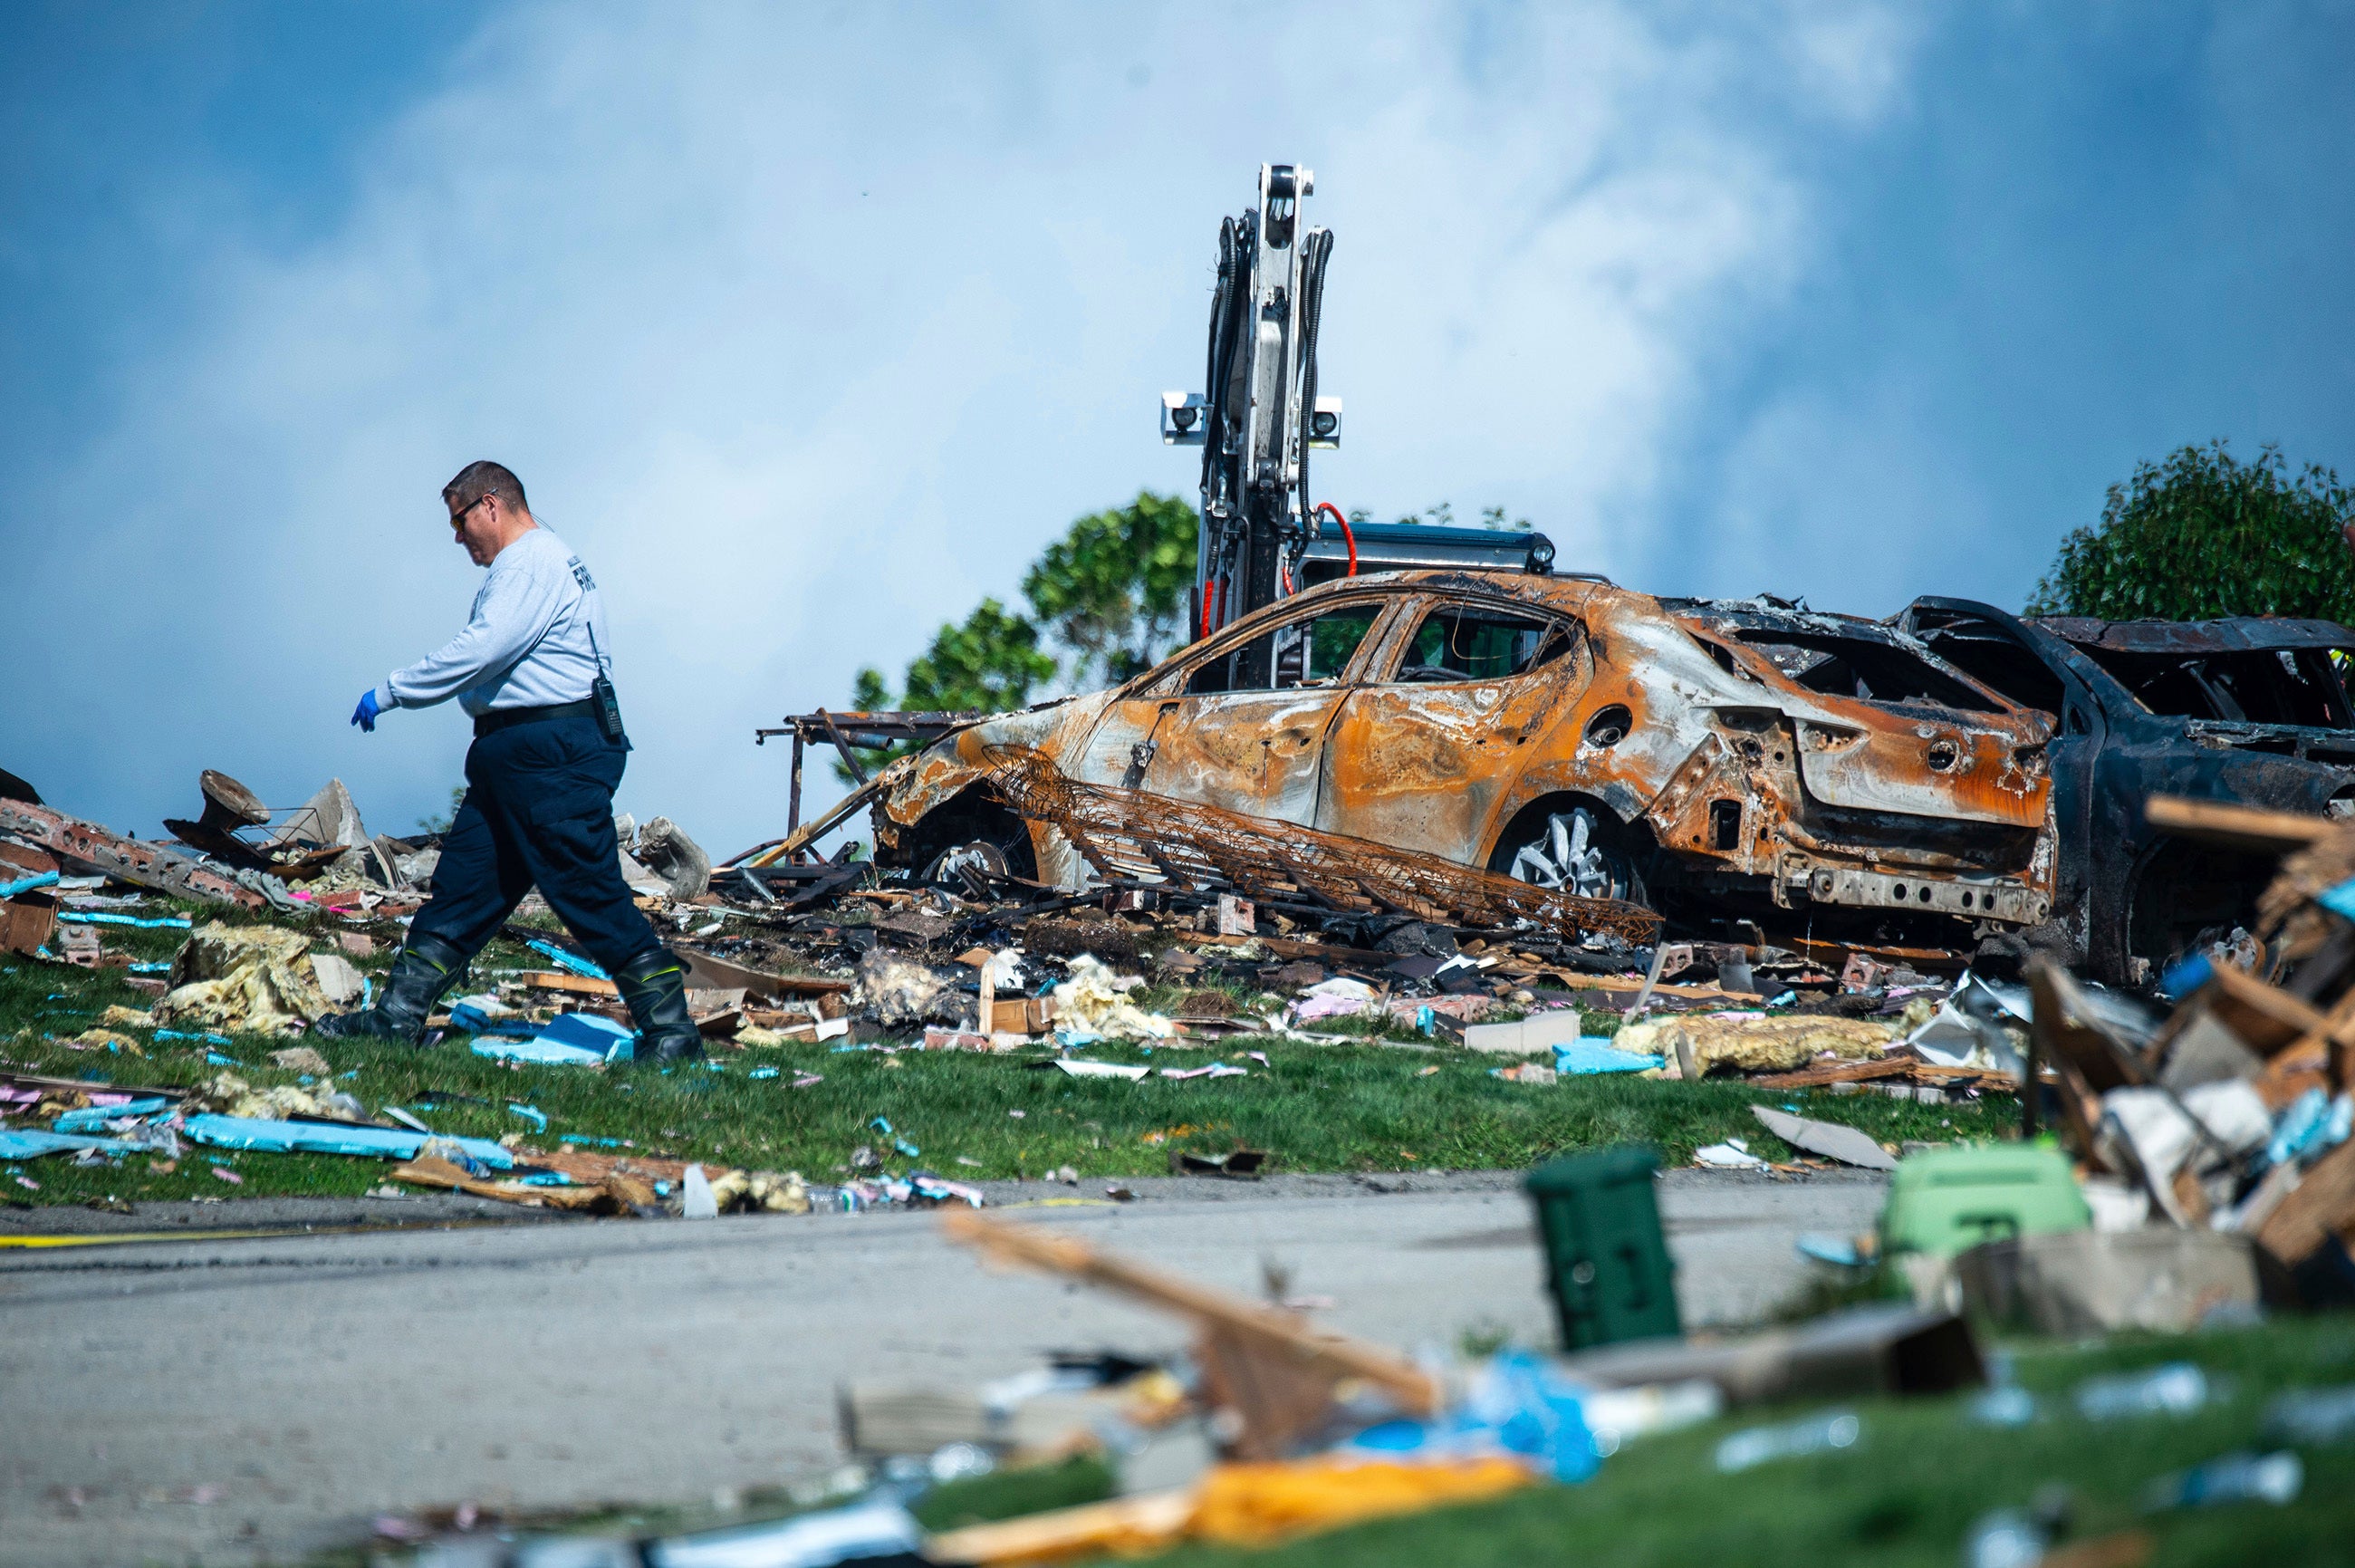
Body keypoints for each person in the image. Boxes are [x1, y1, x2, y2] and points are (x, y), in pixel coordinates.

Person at [316, 461, 702, 1060]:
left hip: (549, 755)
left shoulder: (528, 562)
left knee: (588, 888)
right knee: (465, 888)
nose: (456, 535)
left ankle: (673, 1032)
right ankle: (396, 1019)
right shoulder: (546, 561)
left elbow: (483, 647)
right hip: (519, 757)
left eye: (460, 519)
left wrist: (393, 690)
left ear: (491, 505)